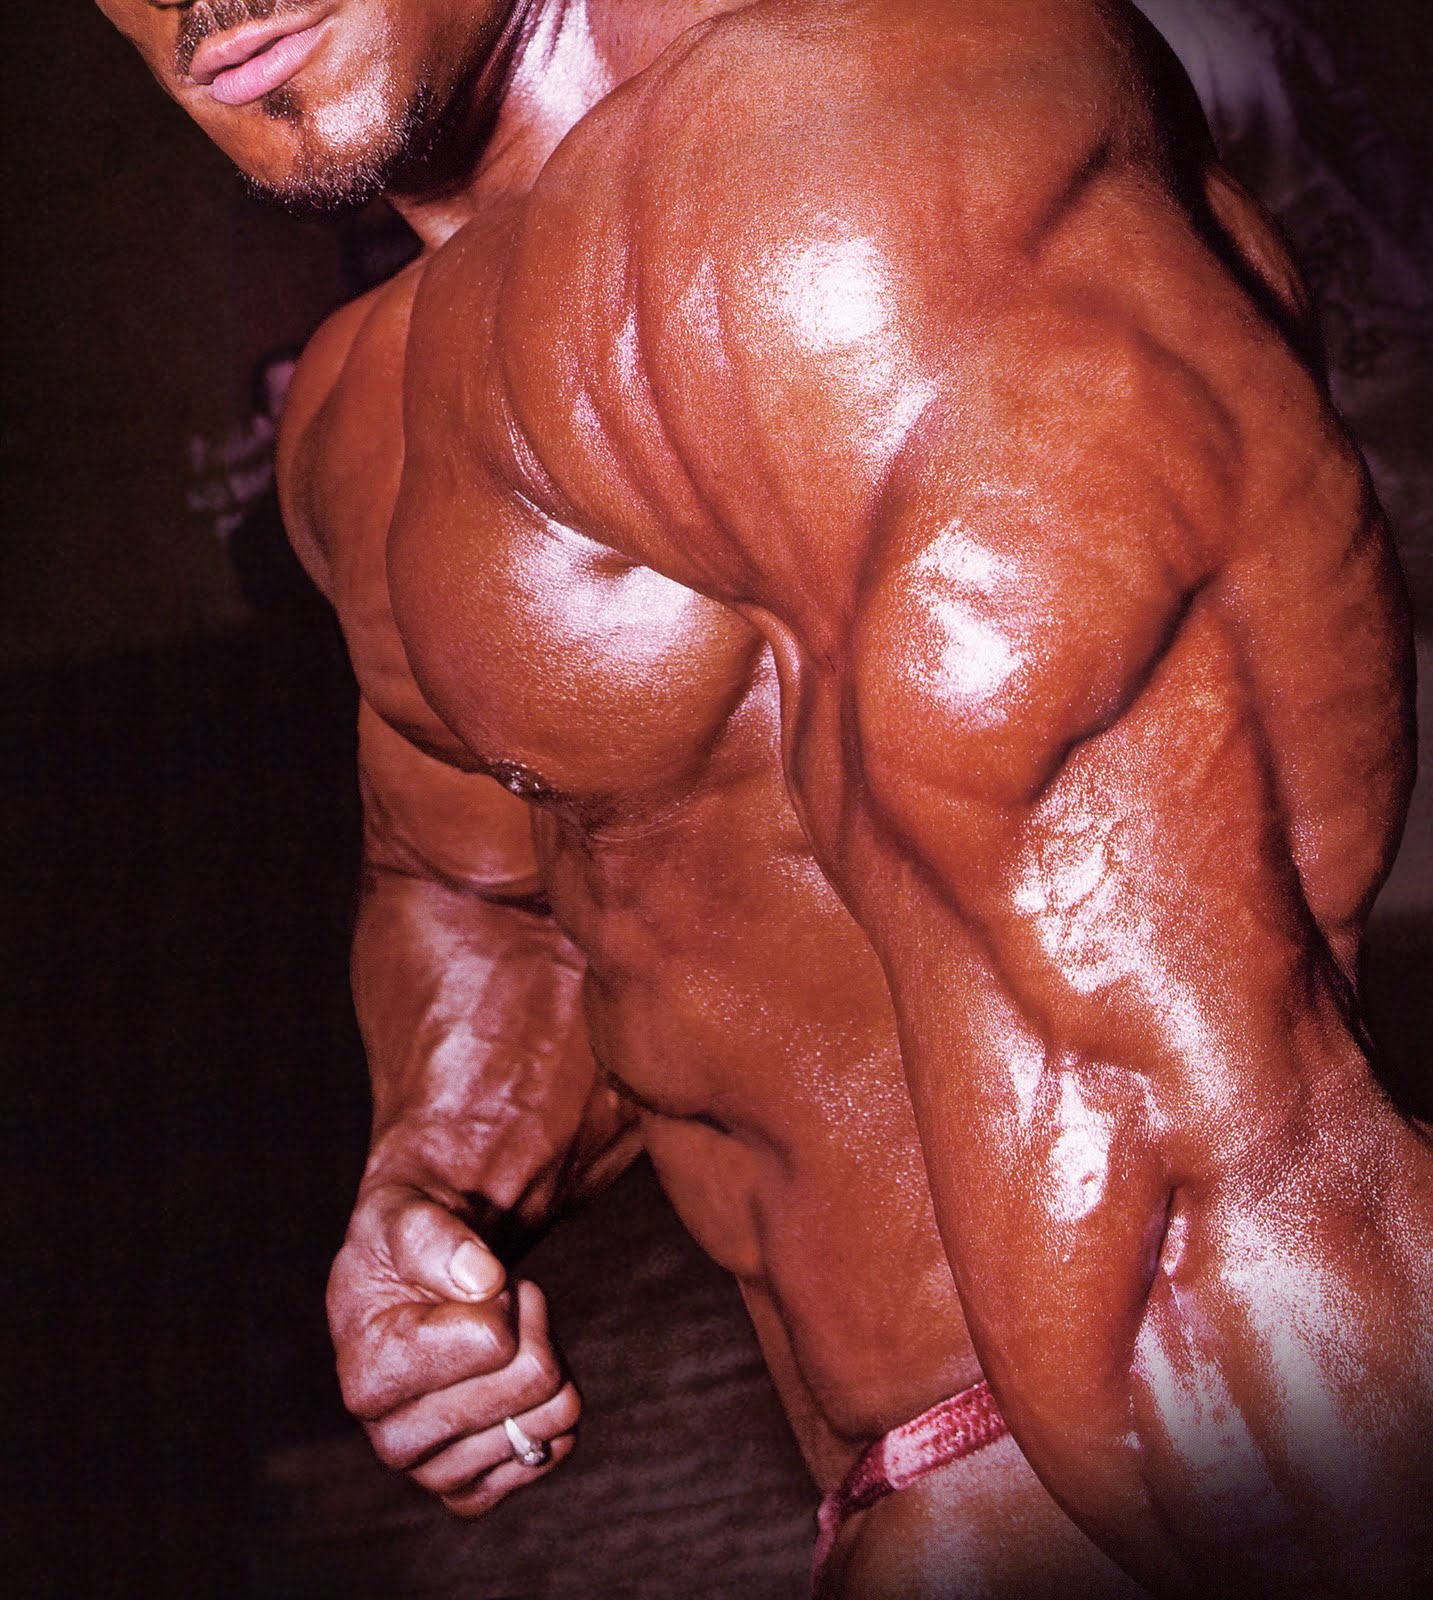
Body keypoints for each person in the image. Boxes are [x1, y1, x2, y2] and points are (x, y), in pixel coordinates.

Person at [95, 2, 1432, 1594]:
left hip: (1154, 1482)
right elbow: (496, 889)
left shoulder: (849, 152)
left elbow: (1208, 1152)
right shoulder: (360, 406)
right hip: (920, 1489)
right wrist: (431, 1178)